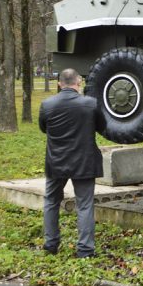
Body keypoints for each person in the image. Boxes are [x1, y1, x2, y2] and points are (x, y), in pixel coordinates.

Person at [38, 68, 106, 258]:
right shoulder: (90, 103)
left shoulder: (47, 104)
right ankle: (85, 250)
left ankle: (50, 245)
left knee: (51, 202)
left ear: (60, 83)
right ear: (78, 83)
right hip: (84, 162)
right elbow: (102, 126)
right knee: (84, 205)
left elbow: (44, 128)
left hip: (56, 162)